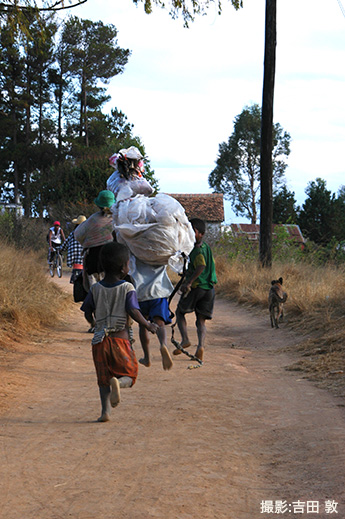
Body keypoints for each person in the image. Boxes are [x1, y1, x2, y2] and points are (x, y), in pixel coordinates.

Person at [81, 242, 158, 423]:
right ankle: (119, 383)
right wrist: (148, 325)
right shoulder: (127, 288)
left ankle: (105, 412)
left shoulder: (95, 288)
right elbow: (133, 311)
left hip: (99, 342)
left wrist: (94, 323)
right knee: (130, 375)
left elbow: (86, 311)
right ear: (123, 267)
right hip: (120, 341)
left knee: (103, 379)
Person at [173, 218, 217, 362]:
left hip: (197, 287)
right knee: (201, 320)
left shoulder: (197, 250)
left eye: (193, 231)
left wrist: (189, 282)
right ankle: (201, 347)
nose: (190, 234)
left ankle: (185, 339)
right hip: (209, 289)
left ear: (201, 234)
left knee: (180, 312)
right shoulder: (206, 248)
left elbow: (201, 266)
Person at [130, 258, 174, 371]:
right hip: (158, 290)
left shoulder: (136, 246)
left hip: (140, 291)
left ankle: (147, 357)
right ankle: (163, 344)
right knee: (160, 322)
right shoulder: (159, 249)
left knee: (143, 324)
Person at [60, 215, 86, 283]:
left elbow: (66, 243)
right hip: (86, 262)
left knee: (76, 282)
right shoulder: (88, 234)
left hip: (76, 262)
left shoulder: (73, 233)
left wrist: (61, 250)